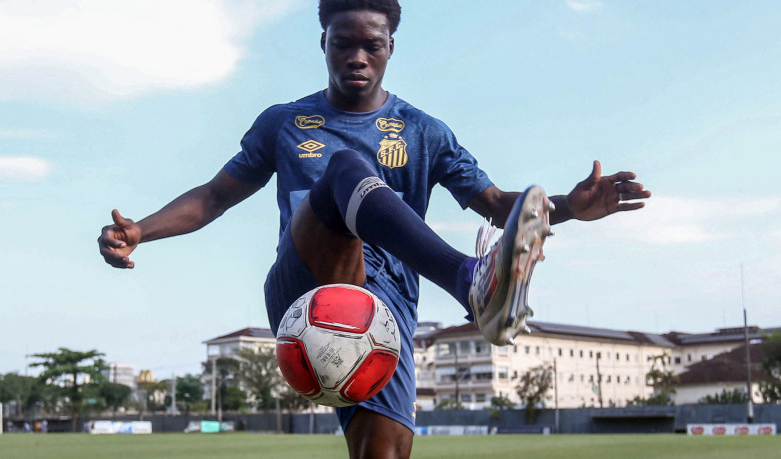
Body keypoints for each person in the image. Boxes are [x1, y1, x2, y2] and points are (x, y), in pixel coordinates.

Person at [98, 1, 650, 457]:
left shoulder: (425, 132)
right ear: (323, 44)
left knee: (382, 455)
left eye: (372, 45)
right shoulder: (284, 122)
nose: (357, 57)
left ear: (391, 49)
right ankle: (467, 282)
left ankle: (473, 285)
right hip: (306, 286)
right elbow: (214, 196)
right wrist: (141, 230)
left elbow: (497, 205)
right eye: (343, 43)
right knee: (345, 170)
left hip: (385, 316)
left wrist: (571, 207)